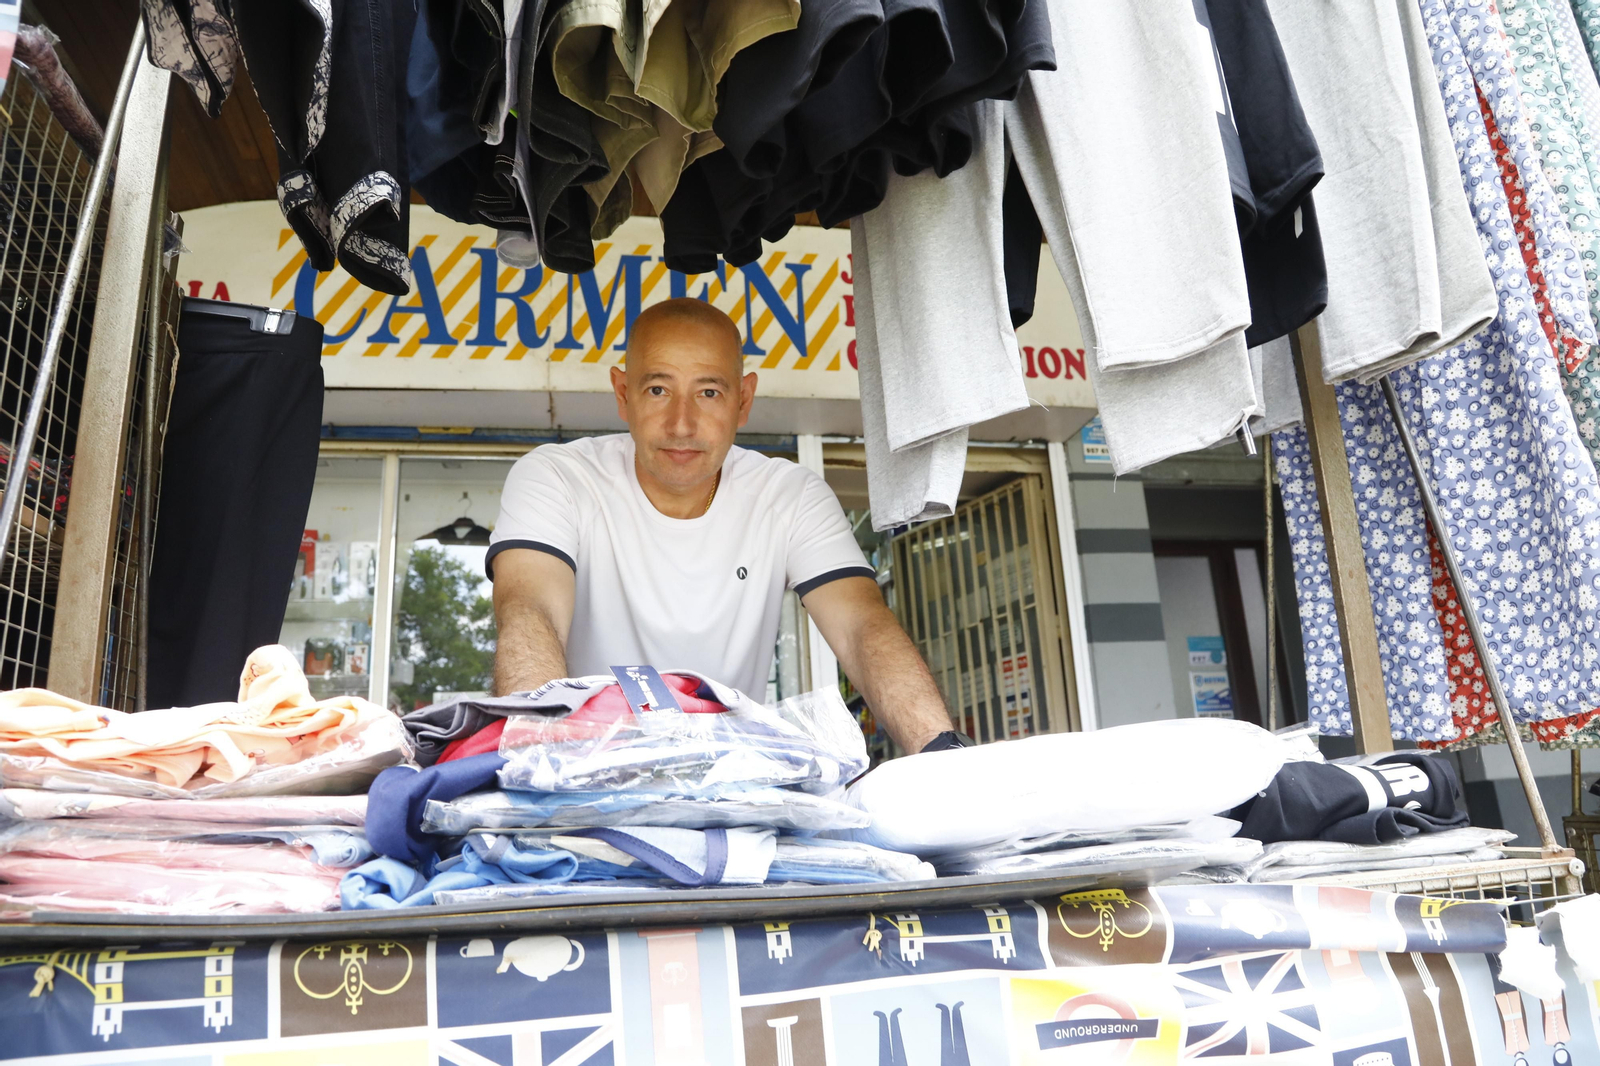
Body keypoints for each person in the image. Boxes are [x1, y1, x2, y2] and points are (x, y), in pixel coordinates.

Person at [487, 297, 965, 754]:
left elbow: (862, 626)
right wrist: (538, 757)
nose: (682, 423)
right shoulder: (557, 477)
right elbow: (530, 610)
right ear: (622, 393)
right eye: (658, 389)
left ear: (744, 400)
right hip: (585, 769)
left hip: (731, 782)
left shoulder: (789, 495)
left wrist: (942, 749)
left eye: (709, 392)